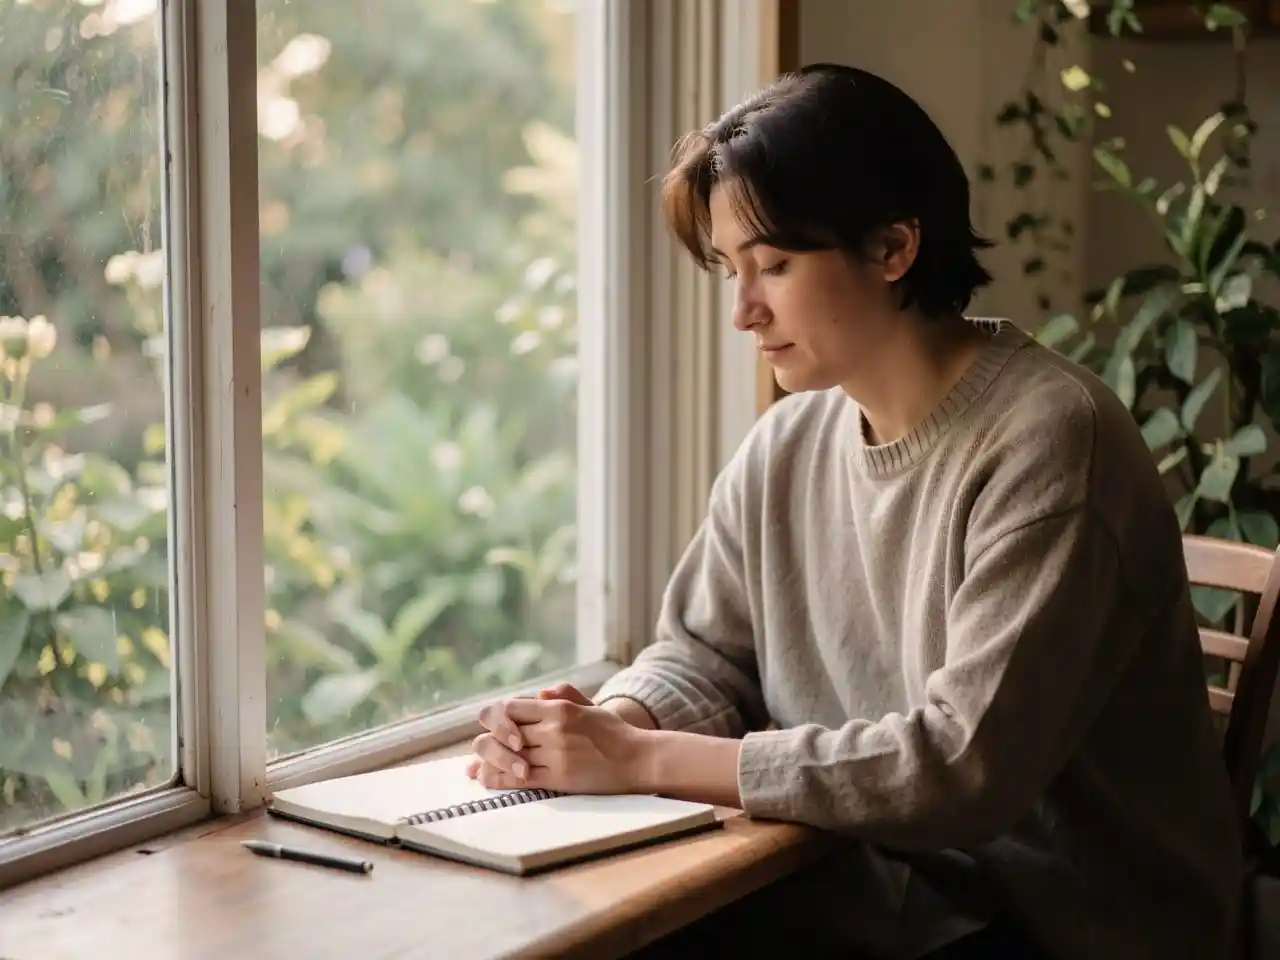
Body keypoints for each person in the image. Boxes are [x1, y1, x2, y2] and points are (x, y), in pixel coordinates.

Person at [466, 63, 1245, 958]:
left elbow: (961, 768)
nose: (743, 312)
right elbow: (705, 653)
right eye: (730, 270)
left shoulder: (1054, 442)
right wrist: (618, 722)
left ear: (892, 249)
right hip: (879, 890)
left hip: (1058, 928)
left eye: (774, 265)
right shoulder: (787, 444)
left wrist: (643, 760)